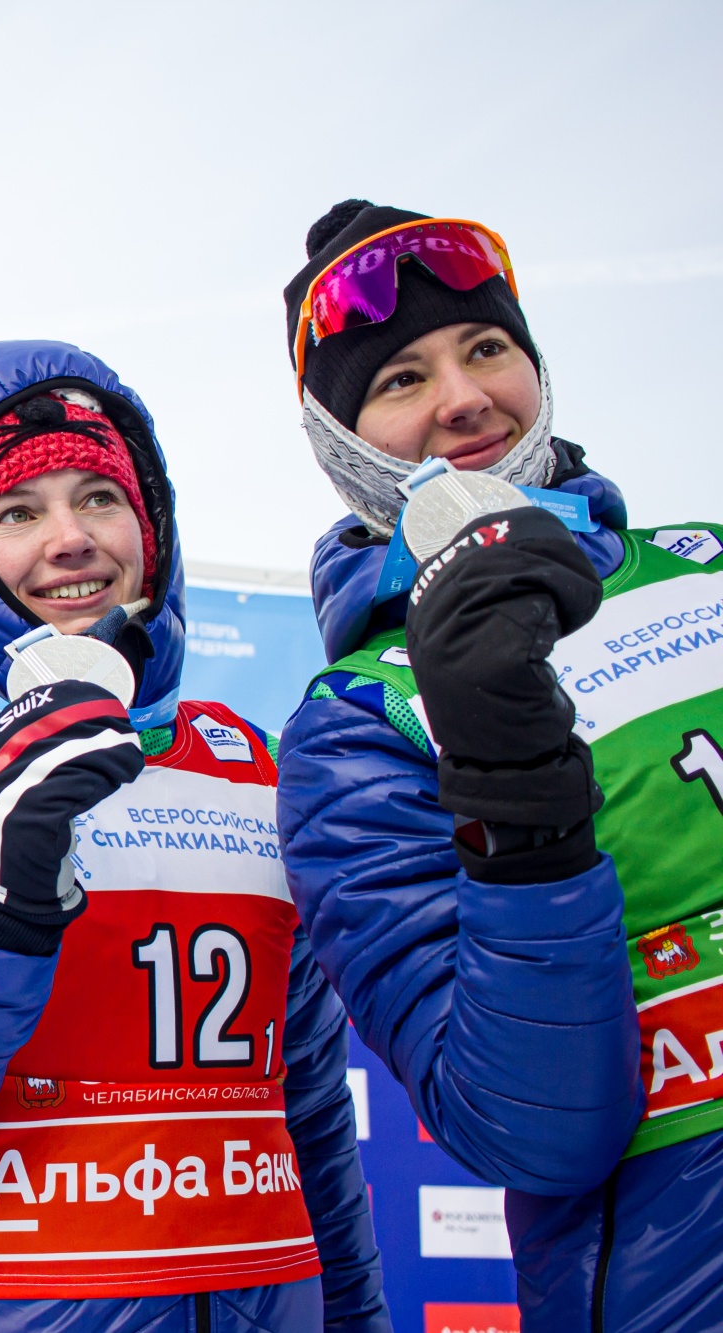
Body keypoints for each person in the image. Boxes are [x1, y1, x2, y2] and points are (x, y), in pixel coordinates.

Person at [0, 340, 387, 1331]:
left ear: (151, 521)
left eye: (99, 496)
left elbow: (312, 1122)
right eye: (16, 513)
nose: (70, 539)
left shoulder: (250, 763)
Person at [276, 199, 723, 1331]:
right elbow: (534, 1131)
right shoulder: (357, 721)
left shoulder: (708, 567)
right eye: (400, 378)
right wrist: (514, 794)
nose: (463, 398)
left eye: (485, 347)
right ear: (339, 443)